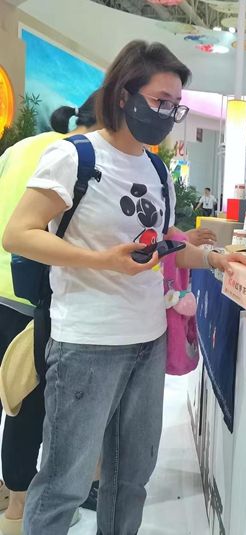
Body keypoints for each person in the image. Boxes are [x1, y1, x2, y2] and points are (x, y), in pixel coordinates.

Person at [2, 40, 246, 535]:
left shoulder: (157, 170)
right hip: (85, 343)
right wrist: (100, 260)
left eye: (175, 105)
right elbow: (19, 233)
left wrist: (216, 258)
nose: (168, 114)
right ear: (124, 95)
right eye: (160, 100)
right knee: (63, 483)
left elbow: (164, 245)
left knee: (131, 478)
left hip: (147, 341)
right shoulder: (73, 157)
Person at [0, 93, 99, 535]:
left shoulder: (22, 147)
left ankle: (9, 493)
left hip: (2, 286)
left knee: (8, 393)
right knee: (27, 402)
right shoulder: (77, 158)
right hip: (32, 296)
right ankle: (20, 507)